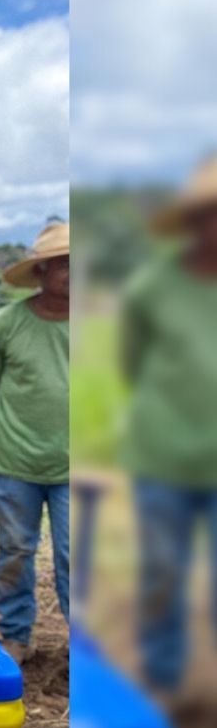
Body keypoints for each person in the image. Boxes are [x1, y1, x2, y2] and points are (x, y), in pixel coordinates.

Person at [123, 156, 217, 700]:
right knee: (163, 572)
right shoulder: (153, 288)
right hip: (162, 458)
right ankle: (162, 687)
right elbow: (133, 364)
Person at [0, 221, 71, 665]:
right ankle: (15, 635)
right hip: (16, 460)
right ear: (41, 271)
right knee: (14, 551)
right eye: (64, 264)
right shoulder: (4, 326)